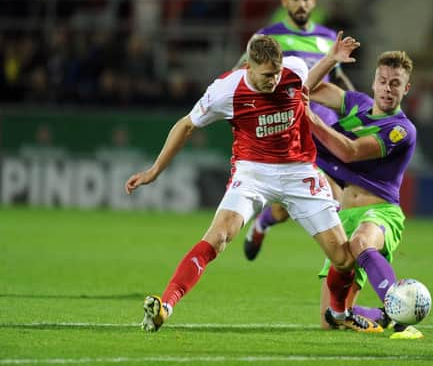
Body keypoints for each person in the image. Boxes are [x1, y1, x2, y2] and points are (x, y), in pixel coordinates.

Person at [125, 34, 382, 333]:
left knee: (343, 260)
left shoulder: (294, 69)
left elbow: (302, 86)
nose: (273, 80)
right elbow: (186, 125)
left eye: (276, 73)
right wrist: (155, 170)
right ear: (248, 66)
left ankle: (339, 313)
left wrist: (329, 61)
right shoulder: (226, 91)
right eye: (266, 75)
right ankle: (165, 305)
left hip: (299, 172)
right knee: (219, 236)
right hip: (252, 174)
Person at [305, 50, 423, 339]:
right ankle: (384, 316)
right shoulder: (356, 104)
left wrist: (307, 115)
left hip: (381, 212)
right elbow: (306, 89)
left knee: (360, 241)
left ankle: (403, 317)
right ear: (373, 82)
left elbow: (350, 151)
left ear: (405, 89)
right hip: (344, 214)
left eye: (395, 83)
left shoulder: (401, 130)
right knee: (329, 319)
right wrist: (328, 61)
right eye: (383, 80)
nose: (387, 88)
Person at [240, 0, 355, 261]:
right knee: (305, 205)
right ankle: (340, 270)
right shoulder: (268, 38)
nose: (301, 4)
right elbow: (241, 77)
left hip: (325, 131)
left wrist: (363, 113)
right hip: (288, 133)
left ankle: (262, 225)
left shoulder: (329, 39)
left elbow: (340, 81)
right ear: (284, 1)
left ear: (314, 1)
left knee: (320, 204)